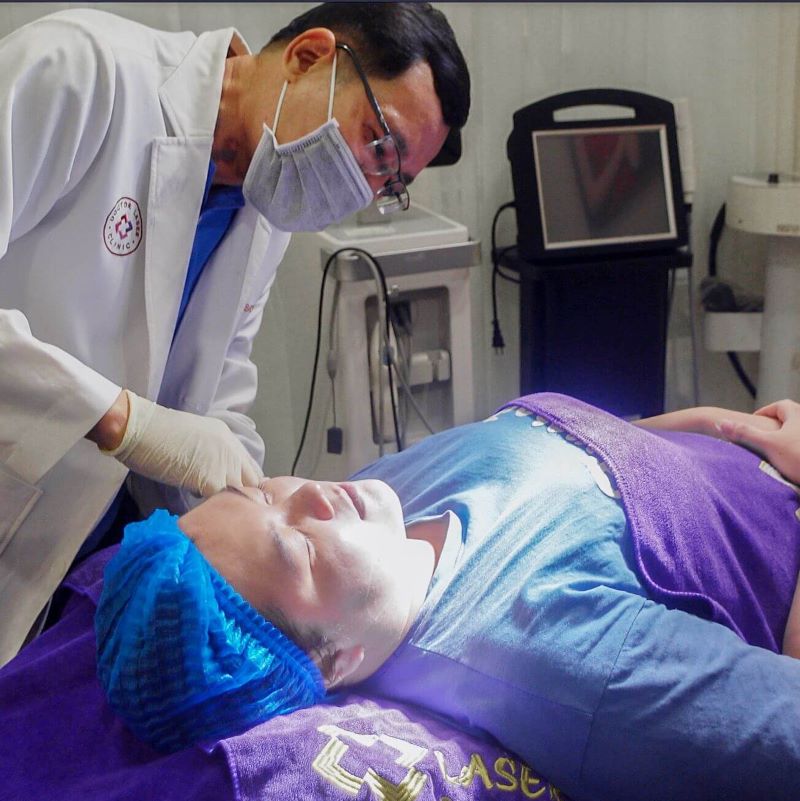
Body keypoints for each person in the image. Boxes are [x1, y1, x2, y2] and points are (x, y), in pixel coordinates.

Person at [0, 2, 470, 665]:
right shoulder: (81, 72)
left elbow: (214, 396)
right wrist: (124, 421)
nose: (366, 189)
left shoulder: (263, 210)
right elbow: (157, 428)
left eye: (392, 181)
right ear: (309, 56)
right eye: (377, 145)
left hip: (79, 560)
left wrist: (263, 500)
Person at [81, 391, 800, 801]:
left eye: (264, 491)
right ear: (333, 664)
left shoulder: (383, 513)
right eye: (298, 548)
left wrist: (717, 426)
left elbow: (582, 447)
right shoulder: (569, 667)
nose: (312, 495)